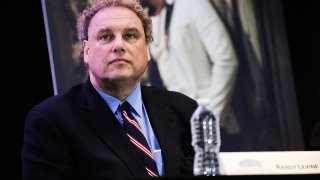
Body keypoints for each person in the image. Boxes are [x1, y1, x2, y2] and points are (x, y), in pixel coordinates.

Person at [21, 0, 198, 179]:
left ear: (147, 49)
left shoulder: (184, 110)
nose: (119, 45)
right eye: (106, 36)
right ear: (86, 50)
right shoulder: (51, 122)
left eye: (130, 35)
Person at [140, 0, 239, 142]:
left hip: (209, 124)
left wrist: (208, 119)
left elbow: (226, 60)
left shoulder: (191, 4)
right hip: (177, 129)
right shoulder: (149, 18)